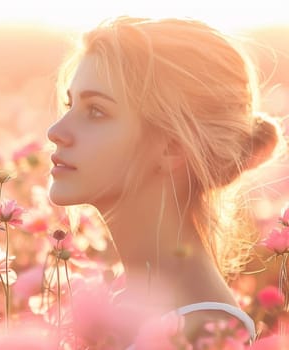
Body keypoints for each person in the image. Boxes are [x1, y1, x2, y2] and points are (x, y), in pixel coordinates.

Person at [47, 16, 285, 343]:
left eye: (96, 111)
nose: (56, 132)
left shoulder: (202, 333)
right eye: (69, 104)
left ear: (172, 147)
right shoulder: (132, 302)